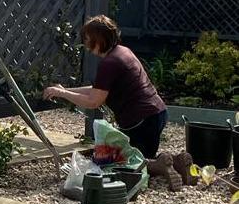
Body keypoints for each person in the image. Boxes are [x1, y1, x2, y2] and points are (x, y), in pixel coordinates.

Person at [43, 15, 167, 158]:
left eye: (88, 39)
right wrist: (64, 91)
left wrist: (63, 93)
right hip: (156, 112)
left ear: (100, 39)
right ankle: (174, 163)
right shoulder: (123, 51)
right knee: (138, 160)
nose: (86, 44)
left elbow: (94, 101)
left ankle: (167, 164)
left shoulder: (109, 63)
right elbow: (97, 91)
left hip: (142, 121)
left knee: (136, 165)